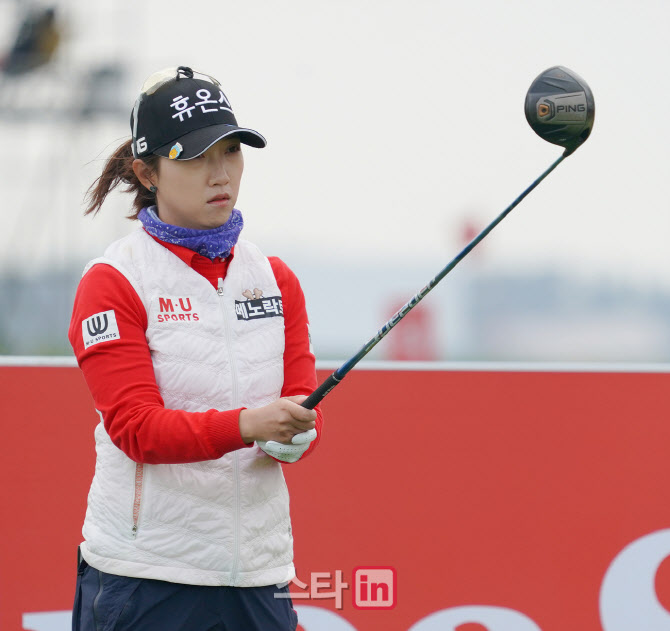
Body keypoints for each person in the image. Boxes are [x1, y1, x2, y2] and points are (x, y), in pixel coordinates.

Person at [68, 66, 323, 631]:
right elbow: (135, 428)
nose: (220, 173)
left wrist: (298, 433)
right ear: (147, 172)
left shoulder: (276, 278)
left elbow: (302, 404)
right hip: (144, 577)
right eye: (194, 157)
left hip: (258, 574)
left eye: (231, 151)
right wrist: (250, 425)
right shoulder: (113, 280)